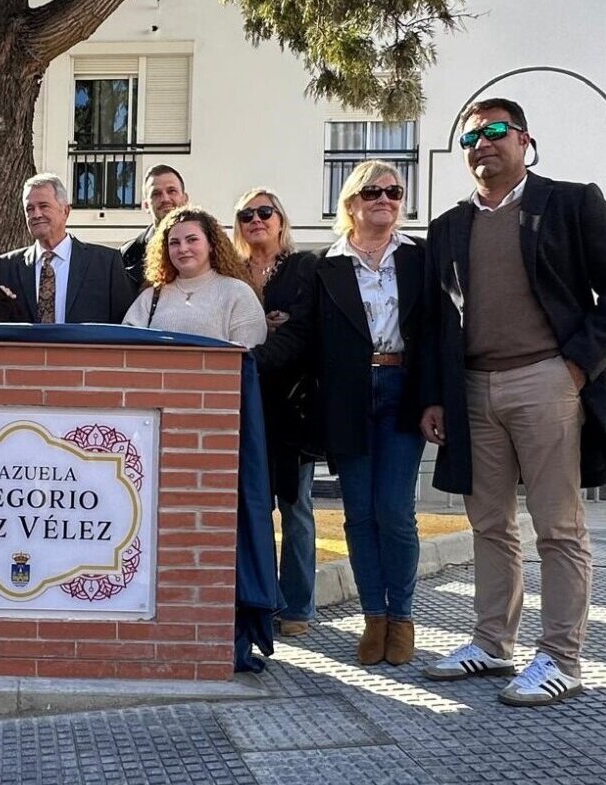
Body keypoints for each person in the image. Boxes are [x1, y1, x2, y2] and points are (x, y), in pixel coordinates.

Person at [420, 99, 606, 705]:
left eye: (496, 131)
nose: (482, 143)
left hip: (547, 381)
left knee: (558, 527)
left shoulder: (572, 203)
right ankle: (492, 643)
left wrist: (576, 365)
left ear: (525, 140)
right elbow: (437, 322)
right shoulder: (448, 226)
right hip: (474, 389)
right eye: (471, 136)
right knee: (488, 525)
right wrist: (437, 396)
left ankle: (561, 659)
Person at [254, 161, 428, 667]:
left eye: (394, 191)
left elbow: (439, 331)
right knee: (359, 515)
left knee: (395, 511)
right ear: (351, 203)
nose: (385, 199)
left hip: (402, 390)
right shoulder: (324, 266)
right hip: (347, 398)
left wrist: (438, 398)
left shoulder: (420, 258)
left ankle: (402, 618)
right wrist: (247, 359)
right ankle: (375, 617)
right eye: (372, 191)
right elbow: (301, 335)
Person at [231, 187, 319, 639]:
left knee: (296, 507)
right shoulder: (230, 271)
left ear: (281, 219)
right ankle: (260, 600)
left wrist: (249, 354)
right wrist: (265, 327)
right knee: (253, 507)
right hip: (243, 406)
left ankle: (298, 605)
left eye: (265, 212)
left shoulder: (304, 267)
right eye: (246, 214)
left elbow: (302, 331)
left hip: (292, 406)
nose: (256, 220)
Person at [0, 173, 134, 325]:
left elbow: (125, 324)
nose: (36, 214)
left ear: (66, 211)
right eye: (30, 209)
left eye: (43, 206)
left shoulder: (106, 264)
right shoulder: (6, 267)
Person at [122, 206, 266, 347]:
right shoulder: (151, 297)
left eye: (192, 240)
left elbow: (247, 353)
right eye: (174, 243)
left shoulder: (238, 292)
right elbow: (126, 348)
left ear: (211, 244)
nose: (183, 249)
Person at [120, 164, 188, 290]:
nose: (165, 199)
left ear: (185, 199)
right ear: (146, 205)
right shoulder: (127, 255)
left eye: (171, 191)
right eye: (156, 194)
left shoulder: (207, 248)